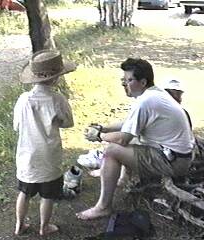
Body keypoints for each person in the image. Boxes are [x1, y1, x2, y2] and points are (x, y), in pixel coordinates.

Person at [76, 58, 195, 220]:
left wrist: (99, 136)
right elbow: (129, 124)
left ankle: (103, 207)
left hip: (175, 163)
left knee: (112, 150)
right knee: (133, 139)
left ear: (143, 82)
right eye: (123, 80)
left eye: (129, 80)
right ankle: (121, 178)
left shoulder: (146, 101)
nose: (125, 84)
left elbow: (123, 138)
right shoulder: (154, 93)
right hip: (179, 155)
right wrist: (104, 127)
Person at [13, 49, 76, 235]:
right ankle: (44, 227)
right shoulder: (57, 99)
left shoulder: (23, 100)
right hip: (49, 156)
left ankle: (19, 224)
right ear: (56, 78)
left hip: (27, 157)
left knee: (24, 193)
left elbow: (16, 126)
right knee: (48, 196)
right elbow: (68, 123)